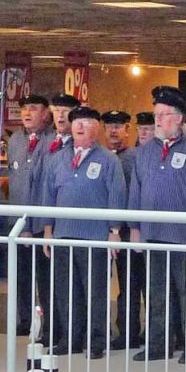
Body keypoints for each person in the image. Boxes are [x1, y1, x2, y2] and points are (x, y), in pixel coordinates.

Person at [128, 86, 186, 364]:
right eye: (156, 114)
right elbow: (136, 191)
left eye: (163, 115)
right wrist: (135, 228)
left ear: (178, 118)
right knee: (156, 293)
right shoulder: (144, 152)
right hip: (152, 233)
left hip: (184, 236)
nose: (157, 120)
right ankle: (158, 344)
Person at [41, 107, 127, 357]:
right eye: (76, 122)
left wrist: (114, 230)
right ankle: (71, 338)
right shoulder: (58, 158)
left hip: (95, 237)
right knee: (66, 290)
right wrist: (48, 230)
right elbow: (48, 195)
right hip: (63, 234)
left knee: (96, 291)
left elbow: (117, 195)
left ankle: (97, 339)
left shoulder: (108, 160)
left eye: (87, 122)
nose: (80, 126)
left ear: (97, 128)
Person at [6, 94, 54, 336]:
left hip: (43, 223)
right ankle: (24, 320)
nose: (27, 113)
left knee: (46, 278)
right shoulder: (15, 140)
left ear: (45, 113)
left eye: (33, 108)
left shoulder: (53, 140)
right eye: (24, 108)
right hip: (18, 221)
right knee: (21, 276)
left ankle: (49, 324)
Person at [102, 110, 143, 350]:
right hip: (105, 230)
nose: (114, 131)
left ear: (128, 130)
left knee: (133, 284)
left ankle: (132, 332)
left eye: (118, 126)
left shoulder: (136, 157)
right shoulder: (101, 156)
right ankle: (110, 330)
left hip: (130, 230)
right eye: (109, 126)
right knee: (107, 284)